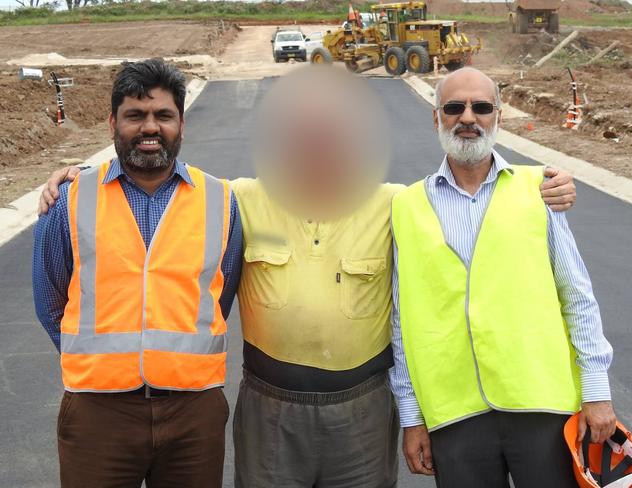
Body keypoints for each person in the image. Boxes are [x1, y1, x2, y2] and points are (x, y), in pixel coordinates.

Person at [38, 66, 578, 488]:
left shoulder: (400, 205)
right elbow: (67, 292)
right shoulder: (236, 200)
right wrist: (66, 180)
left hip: (362, 411)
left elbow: (471, 199)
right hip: (269, 408)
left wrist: (541, 185)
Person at [390, 67, 616, 488]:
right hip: (454, 414)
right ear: (436, 117)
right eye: (454, 107)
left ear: (499, 117)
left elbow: (577, 297)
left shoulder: (539, 188)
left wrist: (597, 391)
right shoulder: (405, 207)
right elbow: (402, 321)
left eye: (482, 107)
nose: (468, 118)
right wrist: (411, 416)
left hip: (543, 406)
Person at [32, 59, 242, 488]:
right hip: (98, 414)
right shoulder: (70, 201)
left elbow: (221, 293)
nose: (150, 127)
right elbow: (49, 299)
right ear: (113, 122)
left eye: (163, 115)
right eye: (135, 115)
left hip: (193, 415)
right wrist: (97, 362)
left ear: (181, 123)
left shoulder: (221, 200)